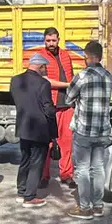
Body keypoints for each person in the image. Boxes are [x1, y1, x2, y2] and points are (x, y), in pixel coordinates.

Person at [65, 40, 112, 219]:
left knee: (83, 169)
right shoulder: (109, 76)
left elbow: (68, 99)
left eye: (85, 57)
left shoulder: (82, 76)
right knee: (98, 168)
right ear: (100, 57)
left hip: (84, 131)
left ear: (88, 57)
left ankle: (85, 208)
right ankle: (98, 206)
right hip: (102, 131)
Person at [9, 53, 57, 208]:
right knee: (37, 163)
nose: (46, 71)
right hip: (39, 129)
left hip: (23, 126)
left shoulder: (15, 80)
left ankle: (21, 192)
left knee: (25, 160)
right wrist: (53, 133)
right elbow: (48, 109)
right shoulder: (43, 84)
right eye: (45, 67)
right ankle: (30, 197)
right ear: (40, 66)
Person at [32, 27, 76, 189]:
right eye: (48, 40)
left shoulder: (65, 55)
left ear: (58, 40)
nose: (51, 43)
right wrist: (68, 85)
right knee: (47, 143)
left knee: (67, 141)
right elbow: (44, 80)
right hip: (49, 105)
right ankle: (44, 176)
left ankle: (67, 175)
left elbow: (71, 76)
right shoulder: (40, 57)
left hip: (67, 104)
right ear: (44, 40)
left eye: (54, 40)